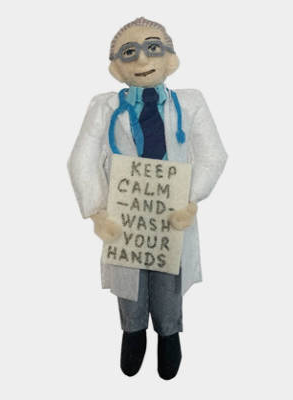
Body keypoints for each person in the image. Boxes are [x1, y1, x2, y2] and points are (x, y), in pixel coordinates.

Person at [68, 17, 227, 380]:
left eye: (152, 48)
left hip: (173, 212)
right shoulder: (104, 108)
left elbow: (213, 153)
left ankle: (169, 333)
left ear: (171, 58)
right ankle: (133, 331)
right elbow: (82, 159)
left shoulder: (190, 104)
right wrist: (97, 210)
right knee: (130, 277)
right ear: (115, 67)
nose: (142, 60)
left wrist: (191, 197)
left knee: (169, 274)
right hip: (124, 213)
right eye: (130, 52)